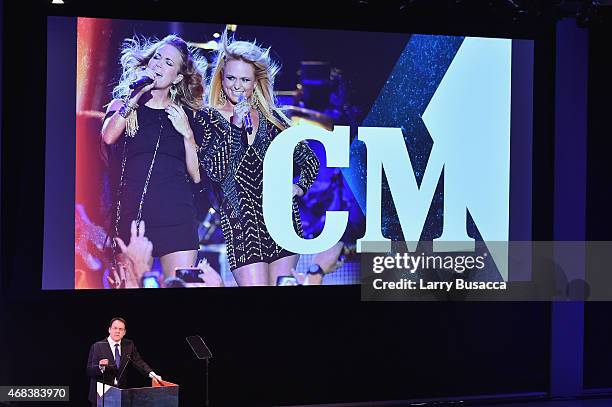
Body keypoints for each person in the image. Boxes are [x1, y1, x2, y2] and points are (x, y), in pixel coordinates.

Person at [195, 31, 320, 286]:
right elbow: (216, 172)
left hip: (282, 223)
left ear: (255, 83)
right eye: (230, 77)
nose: (236, 85)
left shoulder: (273, 118)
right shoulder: (207, 118)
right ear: (221, 77)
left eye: (244, 79)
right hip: (242, 227)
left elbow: (310, 160)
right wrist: (235, 127)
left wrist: (299, 187)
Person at [101, 34, 208, 280]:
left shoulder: (185, 115)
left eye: (169, 63)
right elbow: (108, 137)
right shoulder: (124, 105)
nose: (159, 64)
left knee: (181, 294)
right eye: (157, 57)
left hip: (177, 218)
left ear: (178, 77)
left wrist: (187, 133)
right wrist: (135, 99)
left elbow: (196, 175)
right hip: (134, 220)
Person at [86, 317, 161, 406]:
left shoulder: (129, 345)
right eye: (115, 328)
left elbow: (138, 361)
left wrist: (152, 374)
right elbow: (89, 370)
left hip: (120, 394)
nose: (117, 331)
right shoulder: (97, 346)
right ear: (109, 330)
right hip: (101, 396)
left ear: (124, 332)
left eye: (121, 329)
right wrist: (100, 367)